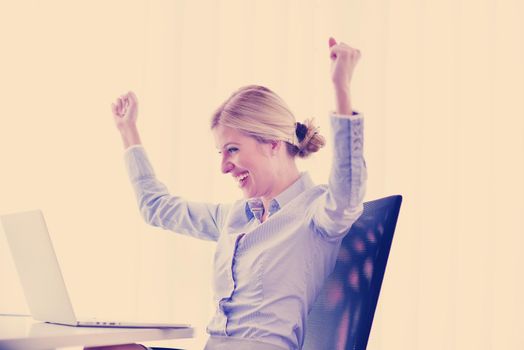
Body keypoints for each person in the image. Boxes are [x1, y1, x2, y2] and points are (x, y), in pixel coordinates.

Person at [103, 37, 366, 350]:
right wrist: (128, 131)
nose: (224, 167)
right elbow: (156, 208)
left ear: (272, 143)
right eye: (220, 153)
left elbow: (348, 191)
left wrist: (341, 88)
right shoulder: (234, 217)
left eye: (232, 150)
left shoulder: (319, 213)